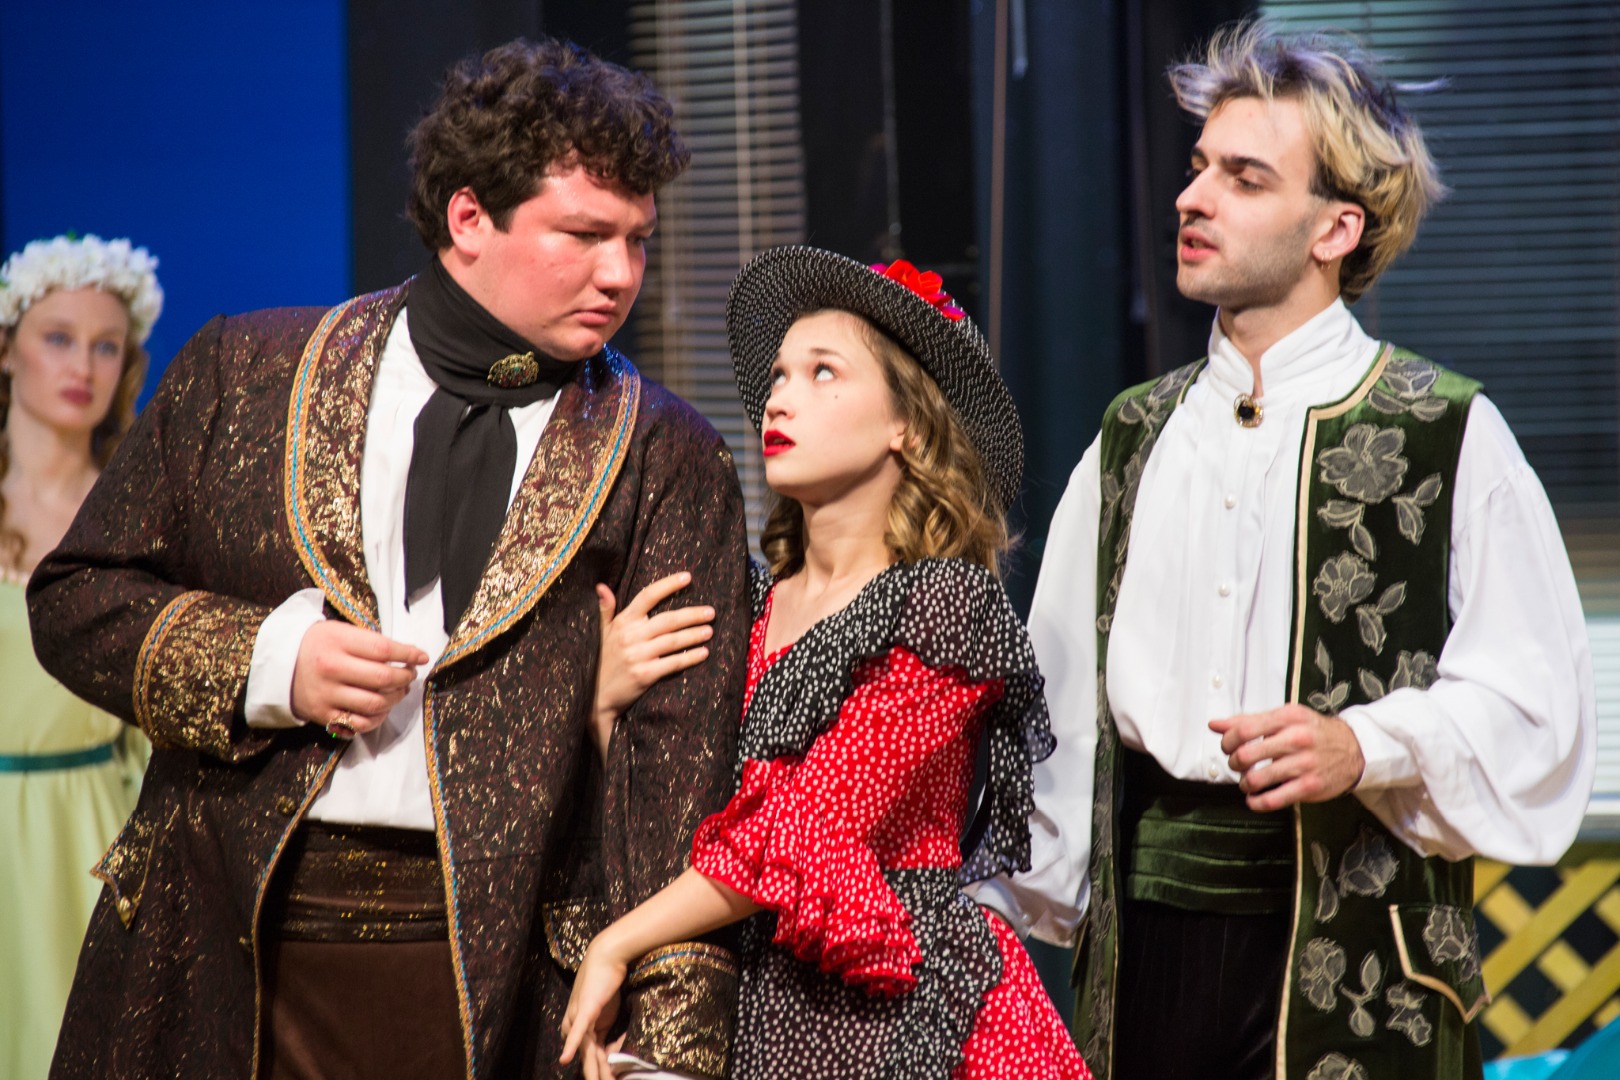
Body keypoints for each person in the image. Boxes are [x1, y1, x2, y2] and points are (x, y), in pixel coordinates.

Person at [28, 39, 750, 1080]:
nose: (621, 275)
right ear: (469, 219)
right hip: (224, 946)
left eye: (638, 239)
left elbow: (682, 776)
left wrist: (670, 1057)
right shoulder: (248, 372)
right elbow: (77, 598)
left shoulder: (663, 453)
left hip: (507, 978)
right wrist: (274, 665)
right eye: (584, 235)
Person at [968, 21, 1597, 1080]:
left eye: (1245, 177)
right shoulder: (1135, 434)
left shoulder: (1443, 430)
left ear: (1335, 228)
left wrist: (1367, 744)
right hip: (1152, 955)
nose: (1193, 197)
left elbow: (1536, 709)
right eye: (1198, 167)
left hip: (1360, 954)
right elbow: (1056, 713)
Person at [560, 245, 1093, 1080]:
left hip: (901, 1000)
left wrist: (617, 944)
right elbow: (671, 815)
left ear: (905, 425)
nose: (780, 397)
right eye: (778, 375)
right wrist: (602, 708)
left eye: (822, 373)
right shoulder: (743, 603)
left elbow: (809, 825)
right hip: (752, 995)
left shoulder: (944, 607)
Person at [0, 234, 158, 1080]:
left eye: (106, 347)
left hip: (98, 824)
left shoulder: (136, 509)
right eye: (58, 337)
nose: (82, 366)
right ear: (8, 348)